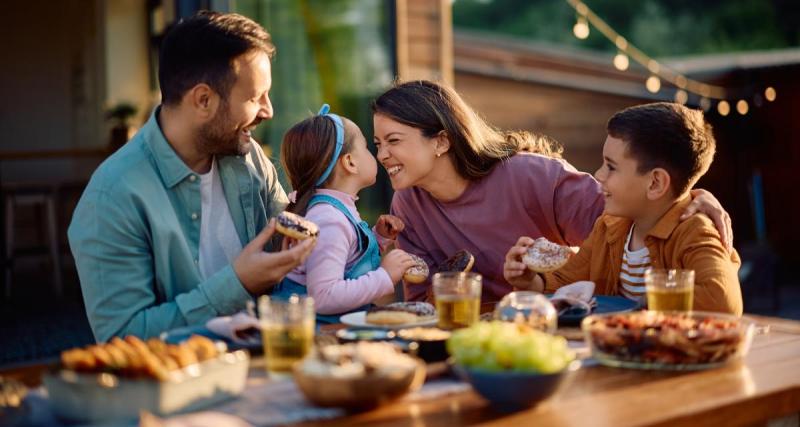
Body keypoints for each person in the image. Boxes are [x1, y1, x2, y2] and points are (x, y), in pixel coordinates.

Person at [68, 12, 315, 342]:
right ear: (203, 100)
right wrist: (238, 284)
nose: (268, 111)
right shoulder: (112, 199)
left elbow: (291, 252)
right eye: (256, 97)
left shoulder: (250, 158)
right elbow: (122, 337)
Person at [372, 80, 733, 304]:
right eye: (377, 143)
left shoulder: (532, 177)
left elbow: (630, 210)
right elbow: (422, 305)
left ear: (441, 142)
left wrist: (693, 198)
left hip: (554, 332)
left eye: (393, 141)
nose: (382, 154)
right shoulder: (408, 204)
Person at [504, 103, 742, 314]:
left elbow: (723, 301)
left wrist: (643, 307)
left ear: (655, 183)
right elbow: (567, 279)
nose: (598, 174)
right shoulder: (609, 227)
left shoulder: (695, 231)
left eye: (611, 167)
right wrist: (532, 281)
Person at [271, 105, 416, 323]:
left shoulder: (334, 212)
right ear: (350, 162)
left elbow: (345, 261)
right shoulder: (329, 219)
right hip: (316, 334)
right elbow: (324, 297)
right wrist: (385, 276)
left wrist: (378, 238)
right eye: (367, 147)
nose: (376, 155)